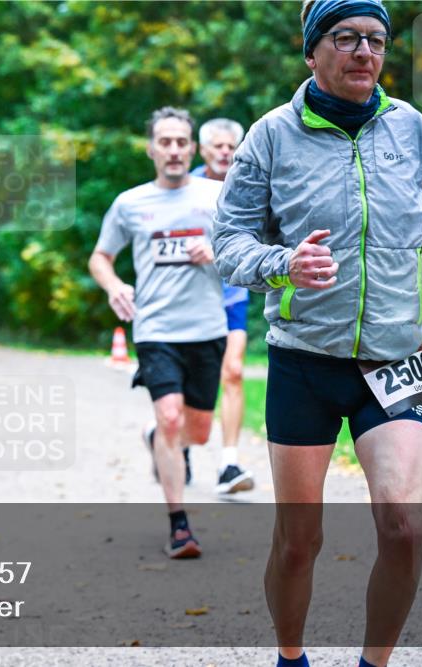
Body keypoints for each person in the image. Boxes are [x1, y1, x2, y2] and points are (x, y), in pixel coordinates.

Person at [212, 2, 422, 666]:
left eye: (377, 41)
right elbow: (229, 242)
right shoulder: (271, 135)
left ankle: (373, 663)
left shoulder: (411, 128)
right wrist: (284, 264)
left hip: (393, 360)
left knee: (407, 528)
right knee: (299, 540)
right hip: (305, 361)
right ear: (312, 51)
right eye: (347, 38)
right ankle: (291, 655)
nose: (365, 52)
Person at [89, 107, 228, 559]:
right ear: (151, 149)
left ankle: (159, 440)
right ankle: (180, 526)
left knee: (200, 433)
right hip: (156, 329)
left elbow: (250, 243)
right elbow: (100, 257)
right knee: (170, 418)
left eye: (181, 142)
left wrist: (218, 248)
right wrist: (114, 286)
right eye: (164, 142)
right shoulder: (131, 204)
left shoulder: (217, 196)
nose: (173, 150)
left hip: (208, 327)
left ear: (193, 149)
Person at [193, 118, 256, 495]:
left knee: (232, 372)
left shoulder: (248, 186)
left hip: (231, 296)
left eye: (230, 145)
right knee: (192, 383)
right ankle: (173, 439)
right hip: (190, 300)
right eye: (216, 145)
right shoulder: (183, 188)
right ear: (203, 150)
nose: (224, 151)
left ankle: (229, 463)